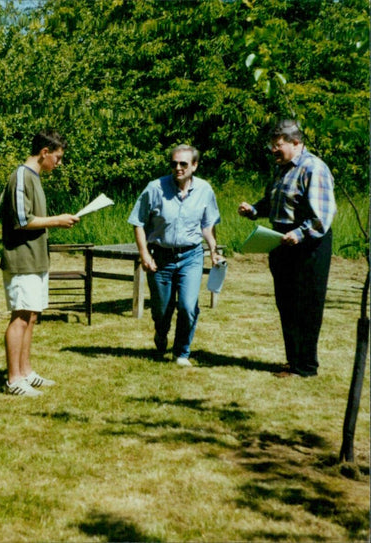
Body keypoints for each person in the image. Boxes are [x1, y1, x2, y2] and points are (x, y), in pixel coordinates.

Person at [238, 119, 337, 378]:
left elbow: (323, 216)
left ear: (296, 143)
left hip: (308, 244)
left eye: (277, 145)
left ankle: (306, 367)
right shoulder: (283, 168)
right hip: (281, 240)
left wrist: (300, 233)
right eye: (272, 145)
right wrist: (255, 210)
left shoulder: (314, 168)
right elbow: (274, 201)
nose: (273, 150)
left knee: (306, 305)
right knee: (287, 303)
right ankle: (293, 361)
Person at [0, 130, 79, 396]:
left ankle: (26, 373)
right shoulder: (21, 176)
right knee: (20, 317)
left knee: (32, 316)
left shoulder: (35, 177)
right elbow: (22, 220)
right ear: (45, 152)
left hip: (36, 259)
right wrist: (58, 220)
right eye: (57, 158)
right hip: (21, 260)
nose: (59, 163)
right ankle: (13, 380)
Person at [128, 144, 224, 366]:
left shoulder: (205, 190)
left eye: (183, 164)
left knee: (188, 307)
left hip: (191, 256)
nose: (178, 168)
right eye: (174, 164)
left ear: (195, 165)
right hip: (161, 256)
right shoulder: (155, 188)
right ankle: (161, 333)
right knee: (162, 310)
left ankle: (181, 352)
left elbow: (208, 225)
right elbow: (137, 222)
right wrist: (144, 254)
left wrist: (213, 250)